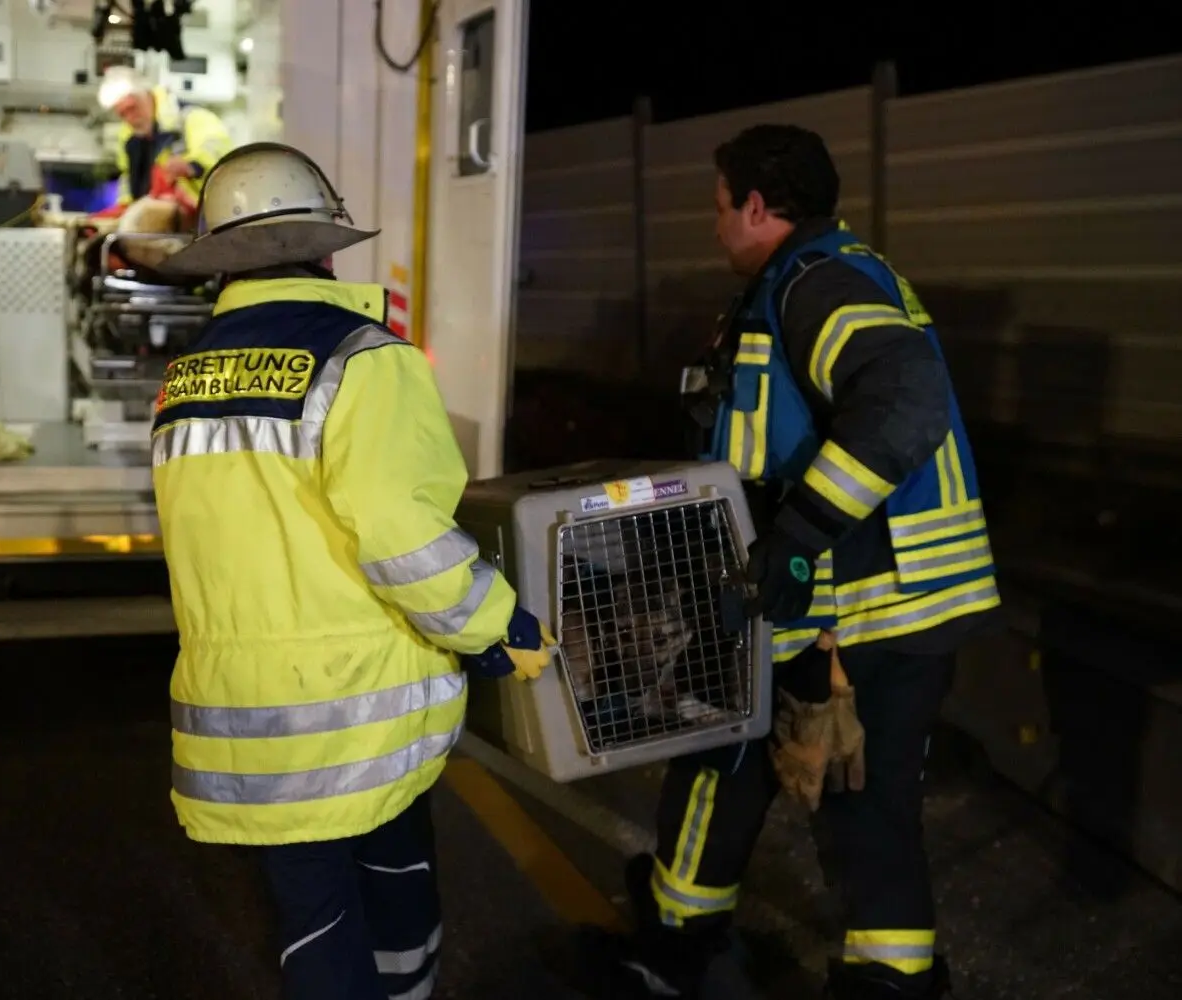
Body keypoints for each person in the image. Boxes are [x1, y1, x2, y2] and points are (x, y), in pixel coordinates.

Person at [586, 124, 1001, 999]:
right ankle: (758, 953)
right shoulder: (815, 279)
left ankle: (681, 950)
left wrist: (796, 533)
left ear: (757, 206)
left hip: (851, 608)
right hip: (868, 605)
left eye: (718, 207)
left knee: (765, 772)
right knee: (842, 798)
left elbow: (904, 397)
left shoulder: (815, 285)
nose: (714, 227)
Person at [150, 141, 556, 1000]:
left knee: (315, 926)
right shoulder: (365, 358)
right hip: (364, 712)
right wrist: (495, 625)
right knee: (397, 887)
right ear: (326, 247)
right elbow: (399, 534)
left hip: (244, 718)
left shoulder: (183, 379)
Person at [93, 66, 232, 215]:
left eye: (132, 108)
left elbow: (219, 154)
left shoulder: (192, 118)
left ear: (147, 95)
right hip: (153, 221)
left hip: (198, 219)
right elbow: (127, 176)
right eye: (123, 114)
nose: (130, 118)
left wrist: (192, 166)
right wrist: (125, 206)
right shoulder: (129, 139)